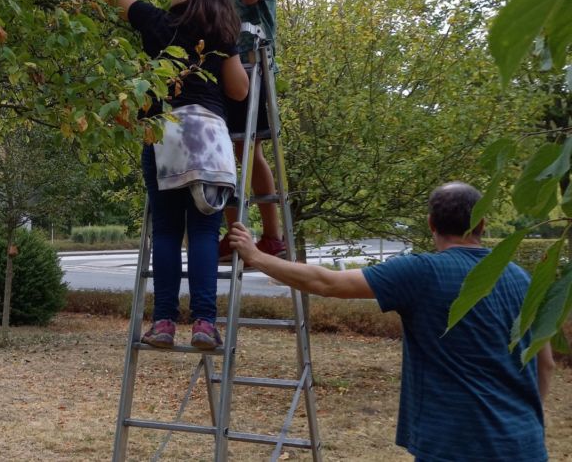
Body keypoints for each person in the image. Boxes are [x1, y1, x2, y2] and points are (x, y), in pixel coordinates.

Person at [225, 181, 555, 461]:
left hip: (454, 445)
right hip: (524, 443)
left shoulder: (422, 273)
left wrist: (256, 256)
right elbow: (546, 364)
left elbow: (327, 282)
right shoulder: (521, 278)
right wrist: (527, 419)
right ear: (482, 224)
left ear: (431, 224)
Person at [99, 0, 248, 349]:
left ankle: (164, 321)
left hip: (164, 133)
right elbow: (240, 91)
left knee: (166, 231)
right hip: (210, 137)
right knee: (202, 231)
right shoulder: (222, 37)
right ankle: (203, 323)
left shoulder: (160, 24)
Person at [211, 0, 285, 259]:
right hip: (231, 68)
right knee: (226, 149)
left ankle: (273, 235)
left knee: (249, 149)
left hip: (255, 69)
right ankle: (235, 232)